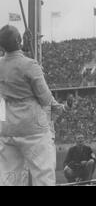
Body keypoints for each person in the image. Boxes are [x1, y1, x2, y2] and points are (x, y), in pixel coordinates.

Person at [0, 25, 62, 186]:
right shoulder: (30, 65)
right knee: (43, 175)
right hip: (32, 127)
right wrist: (38, 73)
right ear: (19, 40)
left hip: (7, 125)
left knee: (9, 177)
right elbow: (45, 98)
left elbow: (12, 63)